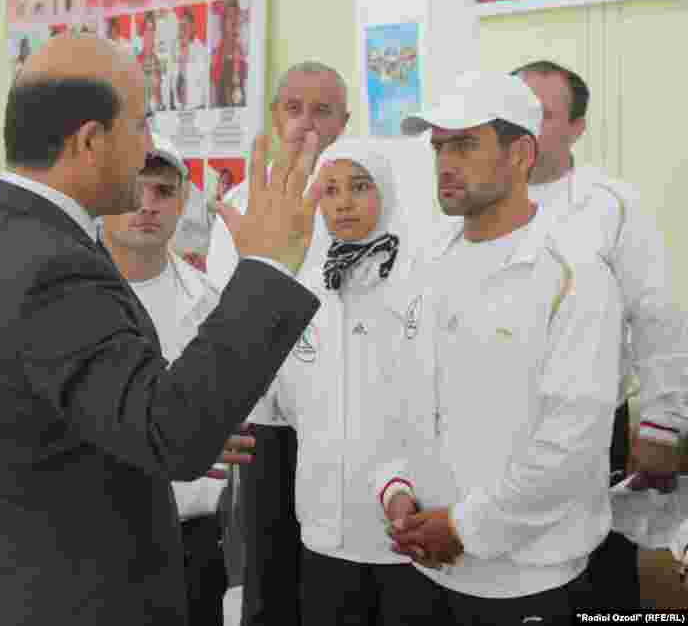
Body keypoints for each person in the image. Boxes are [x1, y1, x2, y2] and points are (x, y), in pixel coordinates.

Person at [0, 34, 322, 625]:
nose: (145, 150)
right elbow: (172, 432)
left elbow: (83, 422)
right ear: (90, 140)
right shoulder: (49, 264)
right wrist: (266, 267)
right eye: (140, 125)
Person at [378, 71, 621, 624]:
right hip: (425, 566)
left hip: (528, 579)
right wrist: (394, 489)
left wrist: (465, 527)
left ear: (521, 154)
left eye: (465, 144)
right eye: (440, 146)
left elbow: (570, 443)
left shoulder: (575, 274)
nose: (445, 162)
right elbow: (400, 400)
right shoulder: (425, 266)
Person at [513, 60, 688, 610]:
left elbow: (657, 318)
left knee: (597, 586)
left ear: (576, 128)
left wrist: (662, 426)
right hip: (493, 432)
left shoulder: (611, 204)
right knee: (507, 581)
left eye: (542, 115)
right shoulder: (466, 204)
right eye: (514, 111)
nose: (523, 128)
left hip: (589, 432)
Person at [248, 140, 445, 625]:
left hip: (405, 521)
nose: (343, 202)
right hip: (321, 523)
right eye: (330, 189)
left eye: (360, 187)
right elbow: (280, 400)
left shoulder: (425, 284)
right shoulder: (303, 287)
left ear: (388, 192)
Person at [207, 60, 350, 626]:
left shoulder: (370, 202)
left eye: (322, 111)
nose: (306, 125)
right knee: (266, 571)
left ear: (345, 122)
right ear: (273, 117)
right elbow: (222, 311)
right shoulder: (241, 203)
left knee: (335, 574)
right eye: (293, 109)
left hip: (344, 411)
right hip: (264, 417)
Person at [99, 133, 234, 625]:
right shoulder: (68, 297)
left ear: (181, 204)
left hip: (195, 538)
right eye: (136, 189)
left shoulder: (212, 301)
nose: (147, 205)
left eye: (162, 192)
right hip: (98, 538)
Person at [211, 0, 248, 109]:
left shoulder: (242, 50)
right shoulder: (216, 52)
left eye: (235, 16)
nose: (233, 21)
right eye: (229, 17)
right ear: (223, 22)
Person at [170, 9, 209, 110]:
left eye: (186, 25)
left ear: (193, 27)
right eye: (181, 25)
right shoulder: (174, 49)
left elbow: (205, 83)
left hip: (196, 108)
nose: (183, 29)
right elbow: (172, 81)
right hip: (177, 110)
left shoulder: (201, 50)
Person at [138, 11, 168, 113]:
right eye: (147, 30)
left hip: (158, 115)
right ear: (142, 34)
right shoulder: (135, 62)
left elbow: (162, 98)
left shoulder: (158, 62)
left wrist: (160, 102)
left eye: (152, 30)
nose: (150, 35)